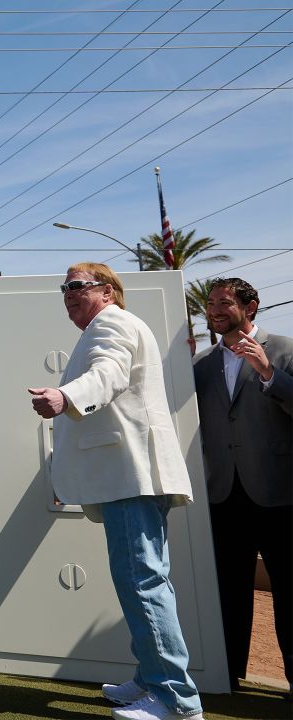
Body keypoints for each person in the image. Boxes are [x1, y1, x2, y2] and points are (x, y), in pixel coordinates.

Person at [28, 263, 202, 720]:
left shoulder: (114, 322)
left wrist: (65, 398)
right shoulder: (104, 325)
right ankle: (151, 678)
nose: (67, 293)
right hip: (125, 476)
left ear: (107, 292)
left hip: (132, 476)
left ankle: (175, 701)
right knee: (139, 580)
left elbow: (110, 372)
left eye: (77, 286)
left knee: (143, 582)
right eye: (62, 287)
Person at [192, 277, 291, 692]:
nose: (214, 310)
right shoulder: (200, 364)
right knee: (227, 593)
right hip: (222, 496)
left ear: (250, 308)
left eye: (224, 302)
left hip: (279, 495)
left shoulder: (285, 349)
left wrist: (268, 373)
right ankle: (226, 678)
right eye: (210, 303)